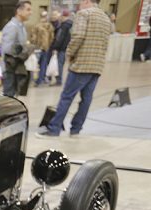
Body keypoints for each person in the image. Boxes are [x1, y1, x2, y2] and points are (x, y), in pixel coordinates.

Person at [37, 0, 111, 139]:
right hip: (97, 65)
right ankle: (76, 129)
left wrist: (69, 53)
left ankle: (54, 129)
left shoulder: (84, 14)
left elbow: (78, 36)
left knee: (66, 97)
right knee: (86, 99)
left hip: (81, 64)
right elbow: (106, 42)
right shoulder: (105, 18)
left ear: (87, 1)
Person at [0, 1, 33, 97]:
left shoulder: (21, 26)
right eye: (28, 10)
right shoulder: (12, 27)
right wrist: (23, 51)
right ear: (19, 11)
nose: (30, 12)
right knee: (9, 97)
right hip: (10, 69)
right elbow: (7, 49)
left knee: (14, 96)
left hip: (16, 68)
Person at [30, 11, 55, 85]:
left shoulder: (37, 26)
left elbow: (33, 37)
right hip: (46, 47)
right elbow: (52, 37)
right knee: (43, 65)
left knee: (34, 64)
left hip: (38, 47)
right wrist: (48, 44)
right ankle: (40, 80)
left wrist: (34, 44)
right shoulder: (49, 26)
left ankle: (33, 79)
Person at [50, 9, 73, 85]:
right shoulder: (70, 25)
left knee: (59, 65)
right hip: (66, 48)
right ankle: (59, 80)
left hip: (61, 49)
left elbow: (59, 38)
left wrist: (55, 48)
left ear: (63, 16)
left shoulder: (64, 26)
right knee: (61, 64)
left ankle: (58, 80)